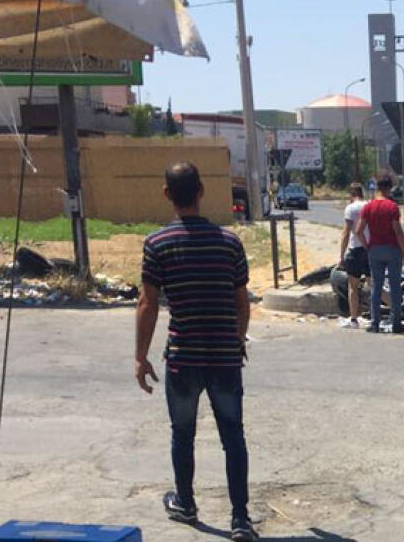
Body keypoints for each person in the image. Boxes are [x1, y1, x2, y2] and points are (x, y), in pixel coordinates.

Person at [134, 162, 259, 542]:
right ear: (202, 191)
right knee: (233, 436)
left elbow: (148, 304)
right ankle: (240, 519)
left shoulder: (157, 244)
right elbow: (242, 302)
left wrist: (141, 357)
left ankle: (186, 504)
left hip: (183, 357)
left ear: (167, 194)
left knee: (183, 433)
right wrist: (237, 339)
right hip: (224, 357)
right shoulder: (229, 243)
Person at [356, 171, 404, 333]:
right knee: (395, 286)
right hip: (392, 249)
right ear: (389, 188)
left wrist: (367, 246)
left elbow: (359, 231)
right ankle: (396, 322)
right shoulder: (392, 207)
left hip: (375, 249)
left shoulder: (368, 207)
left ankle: (375, 323)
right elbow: (398, 231)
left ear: (376, 187)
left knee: (376, 287)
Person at [337, 182, 368, 329]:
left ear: (351, 195)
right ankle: (396, 310)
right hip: (369, 249)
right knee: (375, 285)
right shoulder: (369, 206)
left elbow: (346, 232)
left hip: (355, 250)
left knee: (353, 287)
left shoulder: (351, 208)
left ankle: (354, 319)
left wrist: (341, 256)